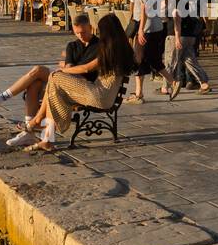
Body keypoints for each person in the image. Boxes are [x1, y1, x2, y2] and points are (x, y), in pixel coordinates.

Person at [0, 14, 101, 146]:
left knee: (38, 70)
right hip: (65, 80)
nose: (81, 35)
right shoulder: (72, 45)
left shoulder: (99, 46)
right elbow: (69, 68)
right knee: (35, 83)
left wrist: (65, 68)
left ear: (90, 28)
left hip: (82, 87)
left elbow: (82, 70)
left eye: (84, 32)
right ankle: (28, 133)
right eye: (77, 32)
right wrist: (65, 68)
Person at [22, 14, 138, 152]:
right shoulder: (123, 48)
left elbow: (87, 68)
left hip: (98, 95)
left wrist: (63, 70)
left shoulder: (110, 50)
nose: (99, 34)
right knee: (55, 88)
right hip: (106, 97)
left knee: (55, 77)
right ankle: (46, 138)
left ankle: (39, 122)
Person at [125, 0, 175, 103]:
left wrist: (140, 30)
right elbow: (169, 1)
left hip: (146, 28)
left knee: (141, 59)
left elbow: (144, 9)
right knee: (148, 59)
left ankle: (140, 94)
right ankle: (141, 92)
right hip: (157, 26)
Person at [165, 0, 212, 95]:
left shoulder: (176, 0)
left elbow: (177, 19)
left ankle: (169, 85)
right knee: (190, 59)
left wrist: (177, 35)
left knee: (171, 60)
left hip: (179, 33)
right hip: (193, 29)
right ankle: (202, 82)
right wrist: (206, 23)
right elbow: (202, 8)